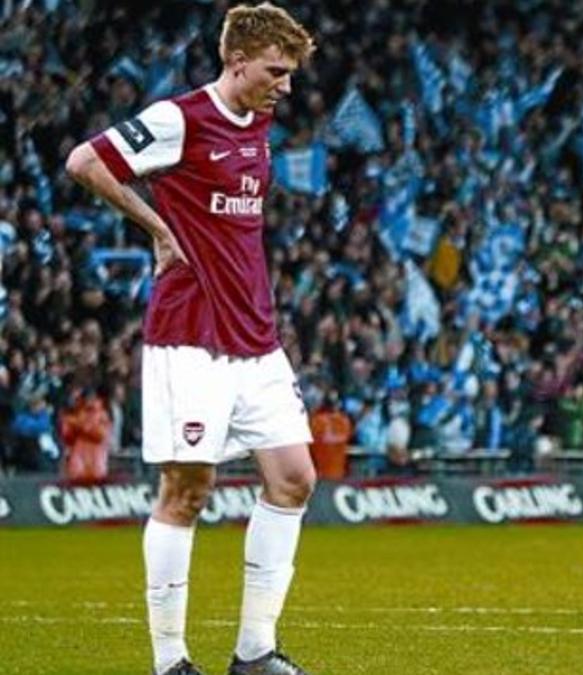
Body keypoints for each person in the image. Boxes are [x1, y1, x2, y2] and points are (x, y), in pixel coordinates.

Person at [65, 4, 316, 674]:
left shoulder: (259, 123)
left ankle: (255, 651)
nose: (285, 86)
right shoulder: (179, 118)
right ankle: (170, 661)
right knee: (187, 489)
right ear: (238, 61)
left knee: (294, 478)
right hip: (190, 336)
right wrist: (155, 225)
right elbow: (85, 160)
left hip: (256, 337)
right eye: (276, 71)